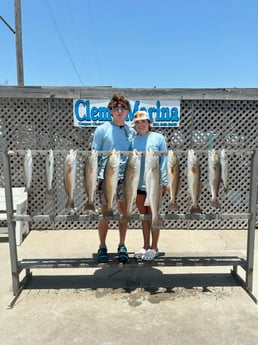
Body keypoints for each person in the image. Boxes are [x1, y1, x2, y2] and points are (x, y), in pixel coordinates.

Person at [91, 93, 135, 263]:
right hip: (105, 177)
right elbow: (94, 155)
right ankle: (102, 245)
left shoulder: (130, 131)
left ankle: (122, 244)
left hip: (125, 179)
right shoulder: (101, 129)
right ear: (110, 110)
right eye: (116, 108)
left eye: (123, 108)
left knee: (124, 213)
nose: (119, 111)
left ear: (127, 111)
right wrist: (94, 179)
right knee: (105, 213)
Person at [132, 110, 167, 261]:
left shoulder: (159, 138)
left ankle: (154, 247)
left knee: (154, 216)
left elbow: (164, 162)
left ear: (149, 123)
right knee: (143, 217)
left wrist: (164, 182)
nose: (141, 125)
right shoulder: (133, 140)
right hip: (138, 185)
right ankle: (145, 245)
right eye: (138, 122)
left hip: (154, 185)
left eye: (143, 121)